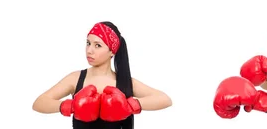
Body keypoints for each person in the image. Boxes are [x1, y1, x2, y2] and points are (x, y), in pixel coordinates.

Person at [32, 21, 172, 129]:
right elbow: (39, 103)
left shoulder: (125, 82)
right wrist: (71, 106)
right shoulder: (75, 79)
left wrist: (131, 105)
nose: (89, 50)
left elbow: (165, 99)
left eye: (97, 45)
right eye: (88, 43)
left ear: (112, 51)